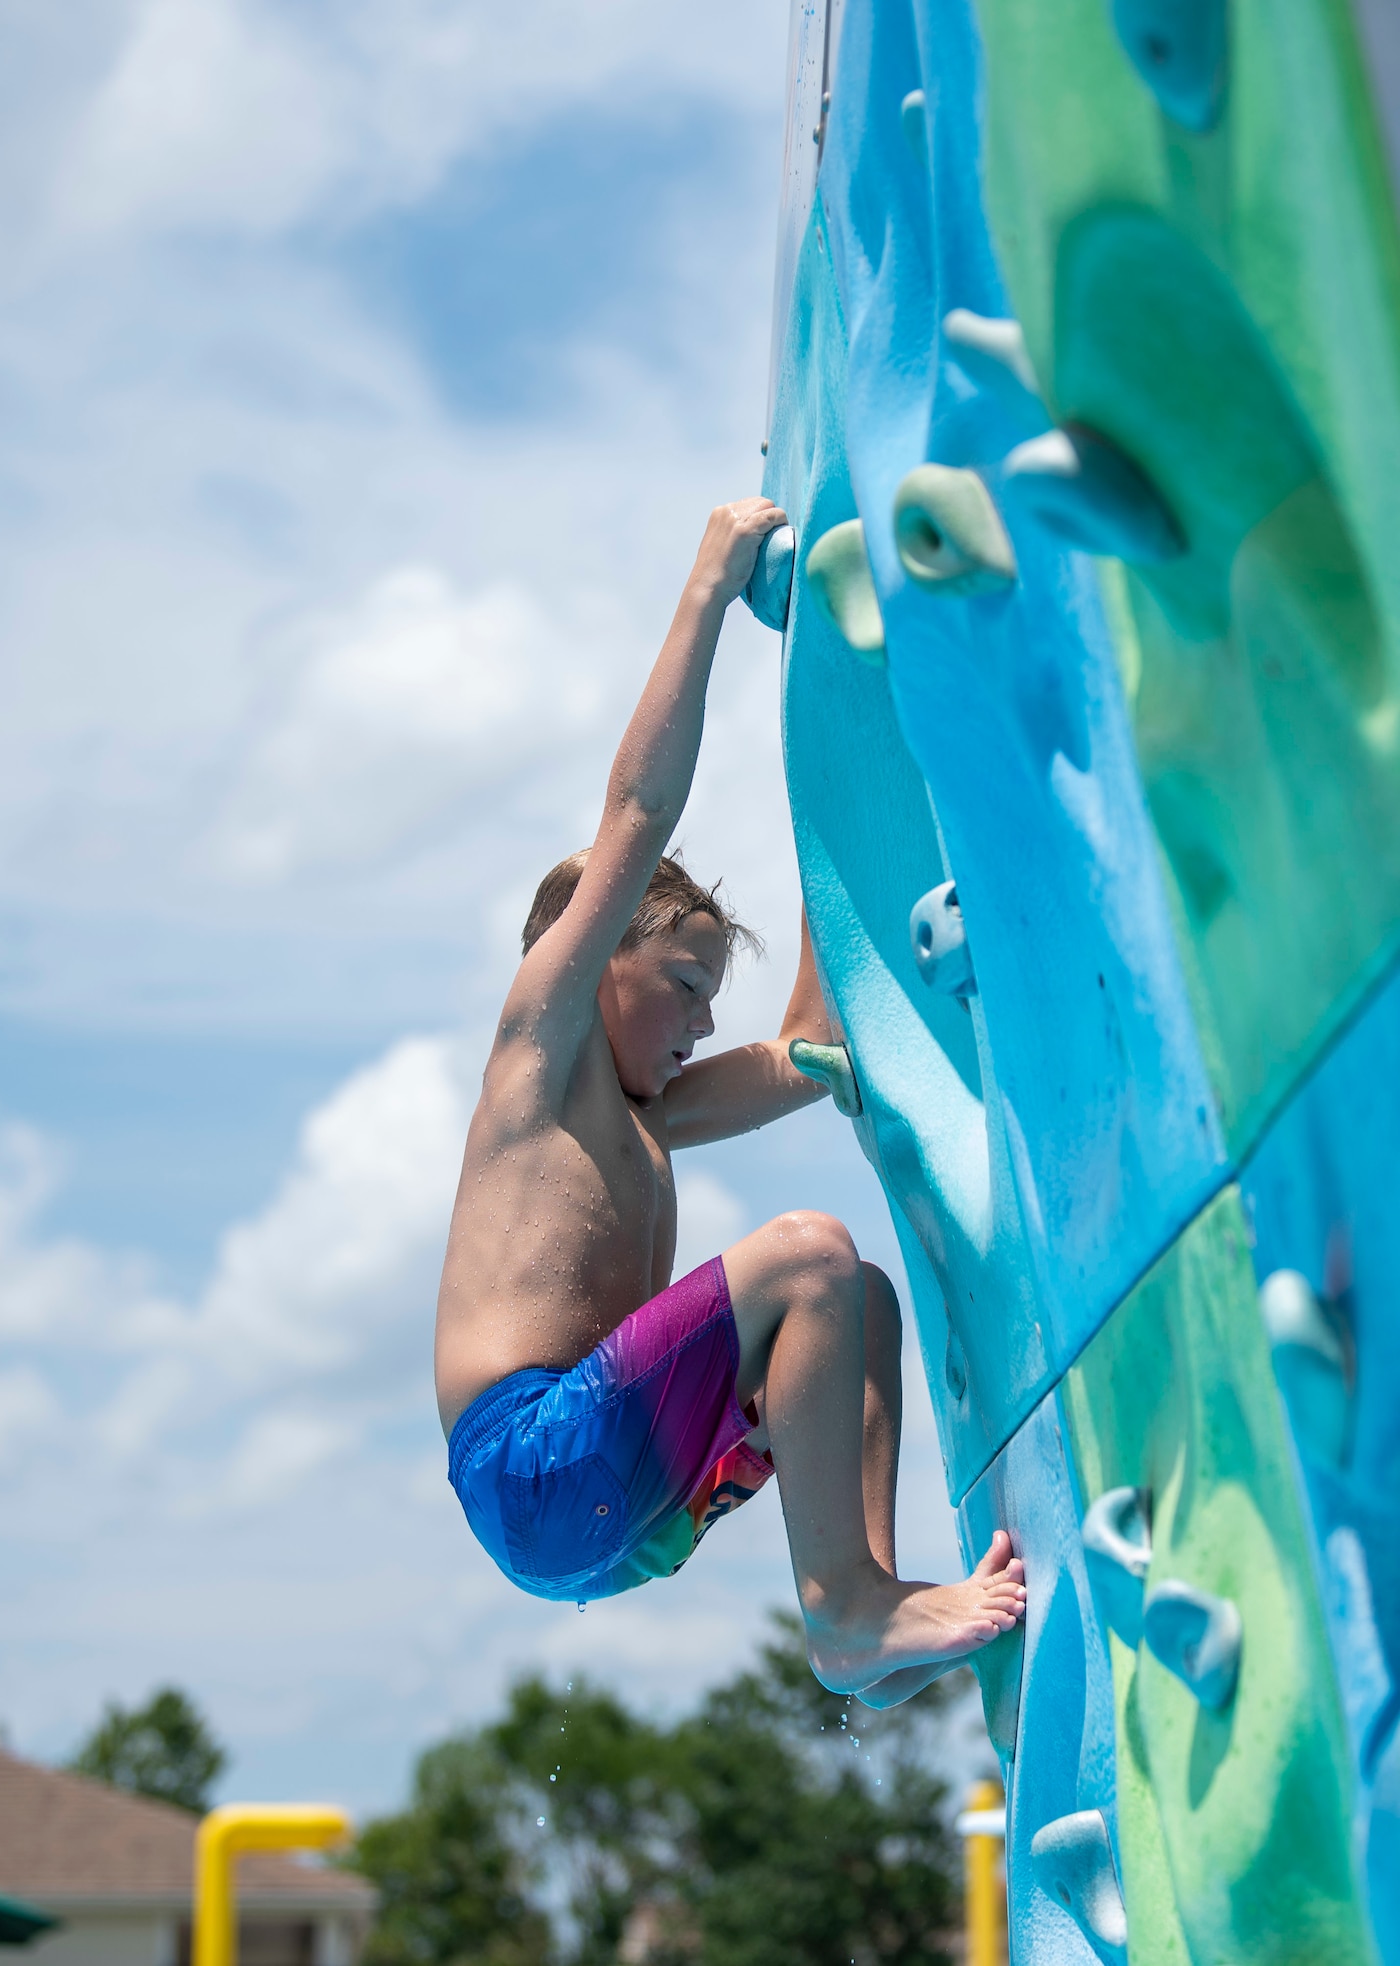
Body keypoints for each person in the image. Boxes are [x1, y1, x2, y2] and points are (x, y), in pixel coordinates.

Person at [433, 498, 1024, 1704]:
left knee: (853, 1299)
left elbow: (809, 1047)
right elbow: (636, 818)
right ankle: (842, 1611)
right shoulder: (534, 1067)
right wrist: (708, 588)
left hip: (617, 1513)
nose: (706, 1019)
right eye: (686, 984)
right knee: (805, 1254)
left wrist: (843, 798)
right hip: (530, 1461)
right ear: (589, 960)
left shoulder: (648, 1120)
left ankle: (866, 1606)